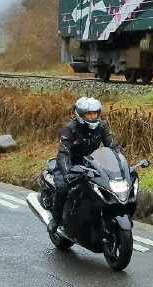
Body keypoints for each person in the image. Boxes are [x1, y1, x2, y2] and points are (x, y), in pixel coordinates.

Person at [47, 96, 120, 234]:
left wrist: (121, 163)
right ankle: (56, 219)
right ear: (80, 114)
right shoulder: (70, 128)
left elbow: (112, 146)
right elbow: (64, 153)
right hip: (70, 165)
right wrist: (67, 172)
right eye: (89, 114)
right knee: (62, 188)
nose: (93, 117)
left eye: (95, 113)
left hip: (92, 165)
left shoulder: (102, 126)